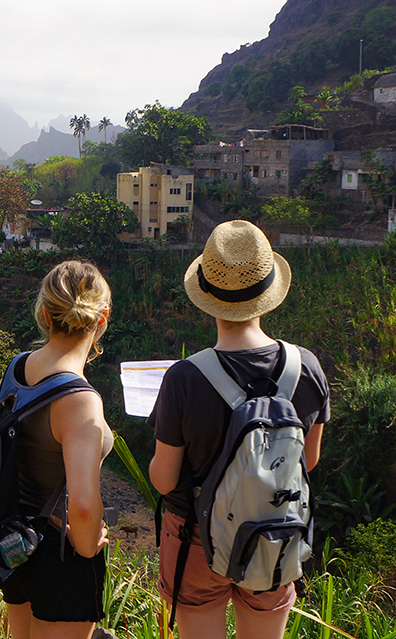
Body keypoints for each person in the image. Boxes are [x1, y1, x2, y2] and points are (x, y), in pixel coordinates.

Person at [148, 220, 330, 639]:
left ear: (207, 298)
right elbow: (309, 460)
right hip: (274, 530)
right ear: (268, 295)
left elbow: (164, 480)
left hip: (196, 537)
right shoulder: (308, 367)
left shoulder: (185, 377)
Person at [0, 259, 114, 639]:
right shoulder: (80, 401)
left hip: (15, 545)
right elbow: (84, 507)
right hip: (60, 556)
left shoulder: (17, 370)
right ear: (101, 320)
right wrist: (87, 548)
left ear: (43, 315)